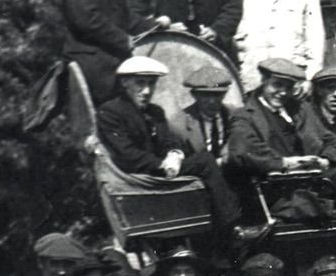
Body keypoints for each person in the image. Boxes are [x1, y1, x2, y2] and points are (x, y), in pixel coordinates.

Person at [226, 57, 336, 276]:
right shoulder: (245, 115)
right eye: (277, 85)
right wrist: (287, 163)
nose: (282, 92)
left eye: (287, 87)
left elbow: (333, 142)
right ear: (263, 82)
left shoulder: (299, 110)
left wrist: (323, 160)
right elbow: (241, 151)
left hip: (314, 183)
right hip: (279, 191)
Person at [96, 57, 243, 243]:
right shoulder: (110, 112)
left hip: (159, 169)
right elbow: (126, 154)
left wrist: (175, 154)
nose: (147, 91)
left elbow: (169, 142)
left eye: (151, 84)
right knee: (205, 161)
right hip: (137, 176)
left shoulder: (155, 111)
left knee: (202, 162)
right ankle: (233, 226)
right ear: (125, 83)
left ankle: (216, 230)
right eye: (140, 84)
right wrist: (161, 164)